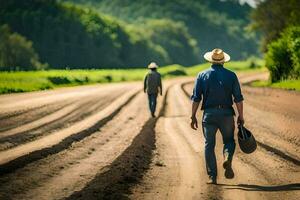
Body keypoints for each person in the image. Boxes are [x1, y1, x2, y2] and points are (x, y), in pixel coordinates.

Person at [190, 48, 244, 184]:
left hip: (209, 115)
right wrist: (240, 116)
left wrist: (193, 116)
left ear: (211, 60)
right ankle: (227, 157)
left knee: (209, 144)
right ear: (223, 61)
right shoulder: (231, 75)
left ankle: (212, 176)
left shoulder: (202, 75)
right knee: (229, 141)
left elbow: (196, 98)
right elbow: (238, 98)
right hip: (226, 114)